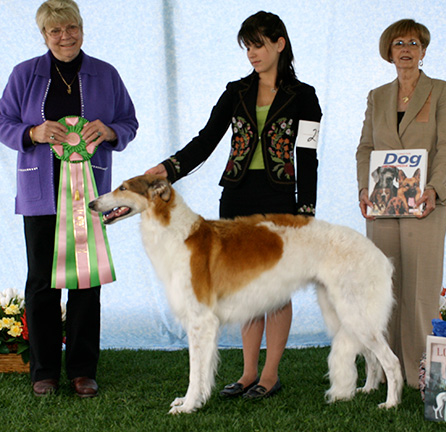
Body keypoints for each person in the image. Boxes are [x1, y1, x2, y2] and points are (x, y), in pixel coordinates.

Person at [146, 11, 322, 399]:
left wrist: (305, 211)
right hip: (237, 197)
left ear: (280, 43)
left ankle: (270, 375)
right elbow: (206, 141)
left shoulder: (304, 96)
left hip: (280, 201)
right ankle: (246, 374)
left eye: (258, 45)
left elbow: (307, 156)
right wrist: (169, 169)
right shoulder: (236, 91)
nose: (252, 54)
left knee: (276, 291)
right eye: (247, 47)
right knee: (241, 288)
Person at [0, 0, 138, 397]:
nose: (65, 37)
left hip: (90, 194)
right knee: (42, 283)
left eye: (71, 27)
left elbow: (129, 122)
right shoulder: (24, 74)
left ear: (82, 28)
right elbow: (4, 122)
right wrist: (32, 134)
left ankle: (82, 370)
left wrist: (110, 132)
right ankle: (43, 371)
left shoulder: (106, 74)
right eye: (56, 31)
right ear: (44, 35)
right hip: (40, 194)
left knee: (86, 282)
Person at [356, 19, 446, 388]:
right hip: (383, 203)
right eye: (398, 42)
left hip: (425, 203)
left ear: (423, 51)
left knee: (420, 289)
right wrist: (363, 189)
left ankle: (421, 372)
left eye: (413, 43)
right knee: (387, 287)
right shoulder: (377, 95)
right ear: (389, 52)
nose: (406, 49)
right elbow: (366, 148)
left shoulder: (442, 91)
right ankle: (389, 367)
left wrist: (434, 187)